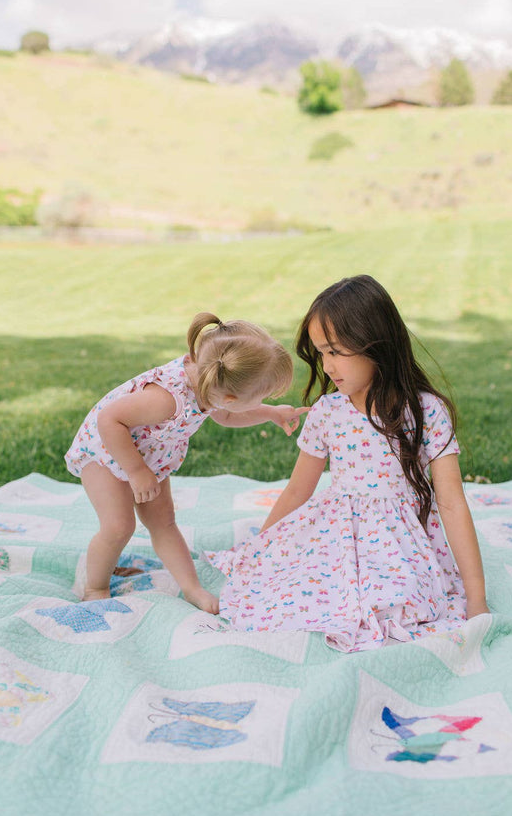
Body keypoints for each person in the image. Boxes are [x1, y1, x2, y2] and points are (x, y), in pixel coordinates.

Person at [205, 276, 489, 651]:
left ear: (375, 345)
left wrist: (476, 598)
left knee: (397, 605)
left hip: (399, 543)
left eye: (335, 352)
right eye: (321, 353)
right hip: (336, 535)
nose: (326, 365)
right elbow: (297, 491)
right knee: (299, 594)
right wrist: (260, 549)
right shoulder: (328, 412)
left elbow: (452, 503)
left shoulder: (424, 412)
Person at [65, 313, 307, 612]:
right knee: (119, 526)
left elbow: (226, 415)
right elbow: (109, 419)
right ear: (231, 396)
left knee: (164, 522)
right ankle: (95, 586)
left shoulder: (210, 383)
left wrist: (271, 413)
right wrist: (136, 471)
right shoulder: (165, 400)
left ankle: (192, 589)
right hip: (106, 450)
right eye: (264, 396)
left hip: (148, 454)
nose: (265, 400)